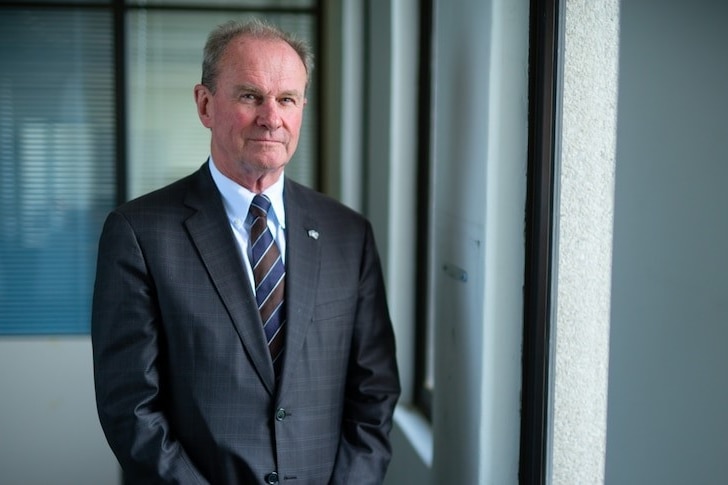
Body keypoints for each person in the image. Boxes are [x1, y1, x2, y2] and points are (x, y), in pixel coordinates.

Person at [91, 18, 400, 484]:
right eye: (251, 96)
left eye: (287, 99)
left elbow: (374, 393)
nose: (271, 117)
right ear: (205, 104)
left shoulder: (348, 234)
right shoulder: (139, 234)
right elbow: (130, 407)